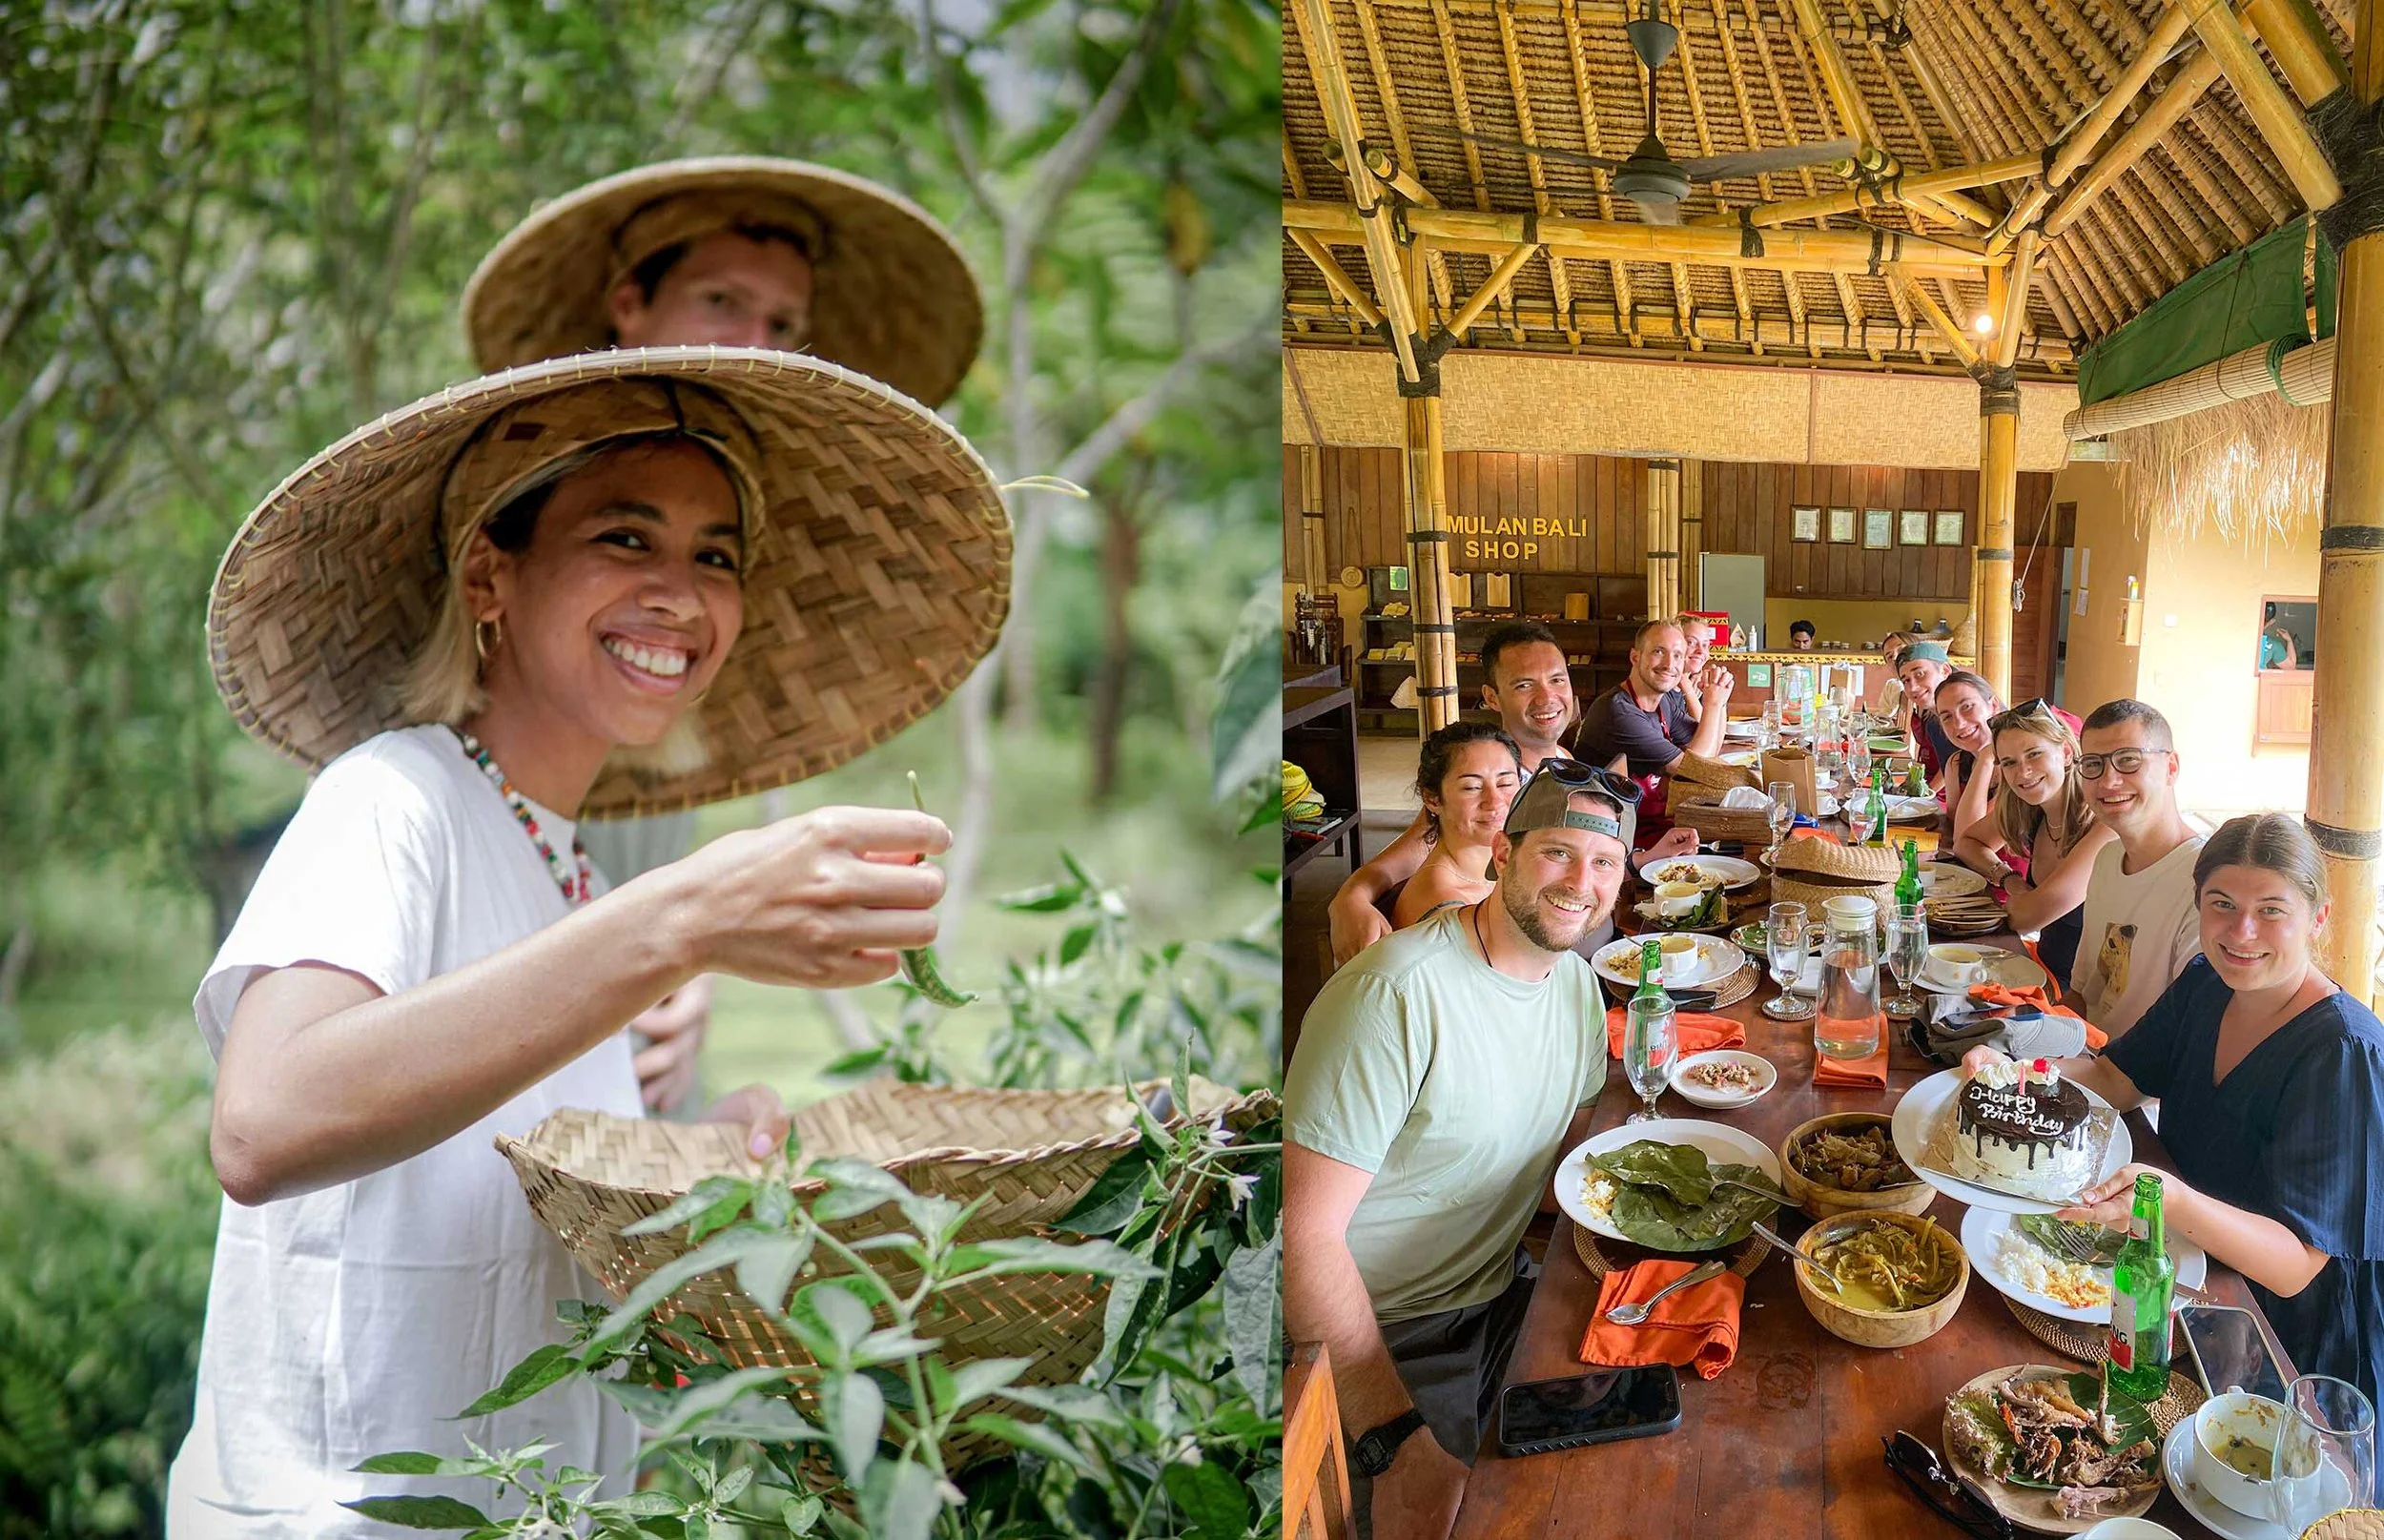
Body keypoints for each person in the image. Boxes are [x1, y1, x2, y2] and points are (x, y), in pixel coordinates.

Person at [168, 353, 1012, 1533]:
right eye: (627, 538)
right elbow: (263, 1122)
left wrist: (691, 1162)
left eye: (716, 557)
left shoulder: (568, 871)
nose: (681, 591)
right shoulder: (394, 798)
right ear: (489, 577)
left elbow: (502, 1182)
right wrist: (684, 918)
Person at [461, 157, 984, 1117]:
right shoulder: (421, 786)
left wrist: (674, 969)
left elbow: (637, 923)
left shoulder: (645, 717)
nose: (757, 342)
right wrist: (673, 933)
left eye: (784, 325)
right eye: (718, 300)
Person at [1285, 764, 1634, 1540]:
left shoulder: (1577, 988)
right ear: (1502, 854)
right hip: (1382, 1331)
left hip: (1503, 1292)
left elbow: (1555, 1183)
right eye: (1557, 853)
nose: (1581, 880)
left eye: (1604, 862)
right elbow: (1300, 1243)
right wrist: (1393, 1442)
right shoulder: (1395, 994)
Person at [1965, 814, 2384, 1425]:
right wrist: (2013, 1073)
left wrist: (2165, 1198)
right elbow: (2114, 1078)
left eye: (2272, 909)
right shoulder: (2207, 983)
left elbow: (2295, 1267)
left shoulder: (2344, 1053)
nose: (2242, 932)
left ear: (2317, 918)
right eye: (2222, 904)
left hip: (2282, 1343)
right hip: (2175, 1271)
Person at [1326, 621, 1692, 964]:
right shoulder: (1487, 782)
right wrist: (1350, 898)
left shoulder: (1564, 759)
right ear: (1492, 697)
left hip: (1594, 942)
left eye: (1556, 680)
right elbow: (1407, 858)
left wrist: (1644, 858)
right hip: (1540, 960)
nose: (1547, 697)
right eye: (1524, 685)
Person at [2069, 699, 2206, 1037]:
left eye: (2129, 760)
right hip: (2084, 1060)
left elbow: (2189, 1034)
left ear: (2171, 767)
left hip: (2138, 1086)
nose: (2109, 781)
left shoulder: (2205, 880)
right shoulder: (2106, 860)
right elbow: (2085, 996)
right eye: (2093, 764)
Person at [1952, 700, 2113, 982]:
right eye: (2010, 762)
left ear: (2065, 752)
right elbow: (1967, 842)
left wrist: (2022, 903)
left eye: (2034, 754)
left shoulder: (2102, 823)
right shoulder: (2031, 809)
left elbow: (2029, 916)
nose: (2023, 772)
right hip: (2038, 965)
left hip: (2080, 993)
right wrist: (2009, 879)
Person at [1572, 617, 1732, 842]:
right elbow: (1697, 770)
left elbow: (1710, 748)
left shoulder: (1662, 700)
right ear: (1635, 657)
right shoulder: (1619, 713)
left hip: (1650, 820)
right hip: (1616, 836)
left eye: (1677, 655)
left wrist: (1720, 699)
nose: (1669, 664)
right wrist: (1713, 704)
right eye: (1658, 651)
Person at [1391, 723, 1525, 929]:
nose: (1495, 802)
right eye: (1472, 787)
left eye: (1505, 784)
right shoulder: (1443, 903)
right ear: (1433, 799)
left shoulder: (1500, 868)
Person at [1932, 669, 2004, 848]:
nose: (1959, 724)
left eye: (1967, 707)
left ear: (1993, 705)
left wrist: (1986, 759)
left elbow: (1967, 841)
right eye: (1947, 716)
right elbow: (1952, 831)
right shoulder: (1956, 765)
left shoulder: (2016, 767)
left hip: (2008, 874)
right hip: (1966, 872)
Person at [1895, 640, 1959, 785]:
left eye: (1920, 674)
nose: (1913, 688)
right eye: (1906, 681)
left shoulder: (1969, 714)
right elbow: (1951, 768)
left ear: (1945, 671)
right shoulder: (1933, 719)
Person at [1874, 630, 1918, 732]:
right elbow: (1883, 716)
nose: (1895, 658)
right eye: (1889, 656)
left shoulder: (1932, 688)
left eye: (1901, 649)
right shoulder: (1892, 686)